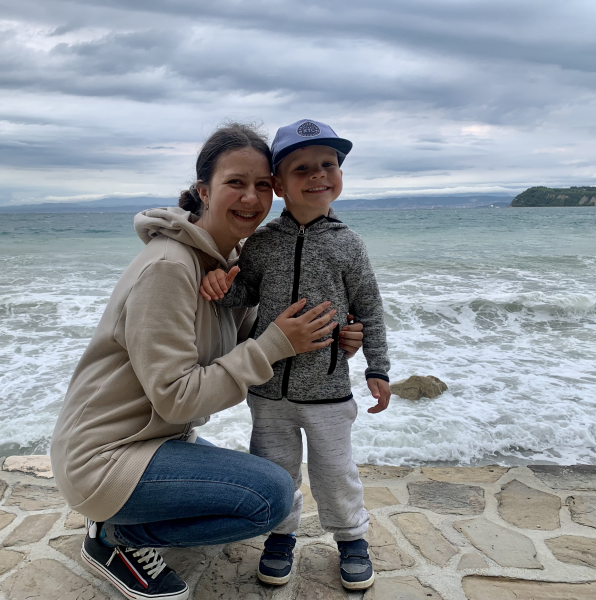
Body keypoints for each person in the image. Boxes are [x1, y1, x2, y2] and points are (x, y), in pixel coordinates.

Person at [49, 122, 365, 600]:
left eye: (262, 185)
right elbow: (179, 398)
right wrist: (277, 343)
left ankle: (121, 516)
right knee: (270, 496)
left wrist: (332, 336)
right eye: (235, 182)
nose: (251, 198)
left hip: (154, 440)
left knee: (250, 482)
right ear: (204, 190)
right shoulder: (169, 267)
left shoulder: (227, 261)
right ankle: (116, 537)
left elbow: (257, 334)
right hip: (103, 458)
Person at [199, 119, 391, 591]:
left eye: (328, 164)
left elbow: (369, 307)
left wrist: (378, 367)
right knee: (276, 472)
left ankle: (352, 539)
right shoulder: (262, 243)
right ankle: (280, 537)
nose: (318, 174)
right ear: (280, 185)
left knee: (335, 473)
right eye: (302, 168)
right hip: (268, 390)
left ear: (340, 176)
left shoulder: (349, 244)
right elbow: (244, 293)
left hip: (328, 390)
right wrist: (218, 283)